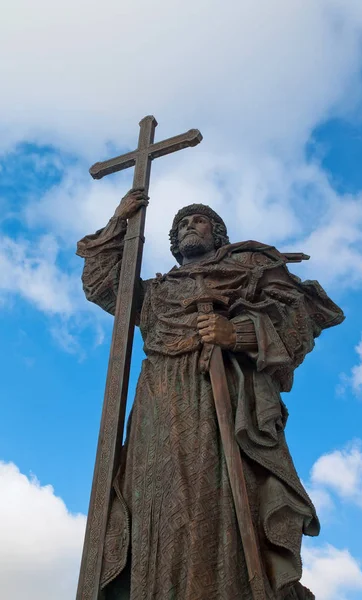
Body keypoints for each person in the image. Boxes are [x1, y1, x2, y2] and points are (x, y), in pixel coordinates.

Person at [77, 190, 345, 600]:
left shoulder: (246, 268)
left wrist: (238, 332)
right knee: (151, 503)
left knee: (212, 501)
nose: (188, 226)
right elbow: (102, 284)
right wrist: (120, 223)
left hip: (220, 398)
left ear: (217, 232)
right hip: (157, 404)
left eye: (198, 220)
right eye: (181, 224)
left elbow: (301, 315)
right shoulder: (156, 295)